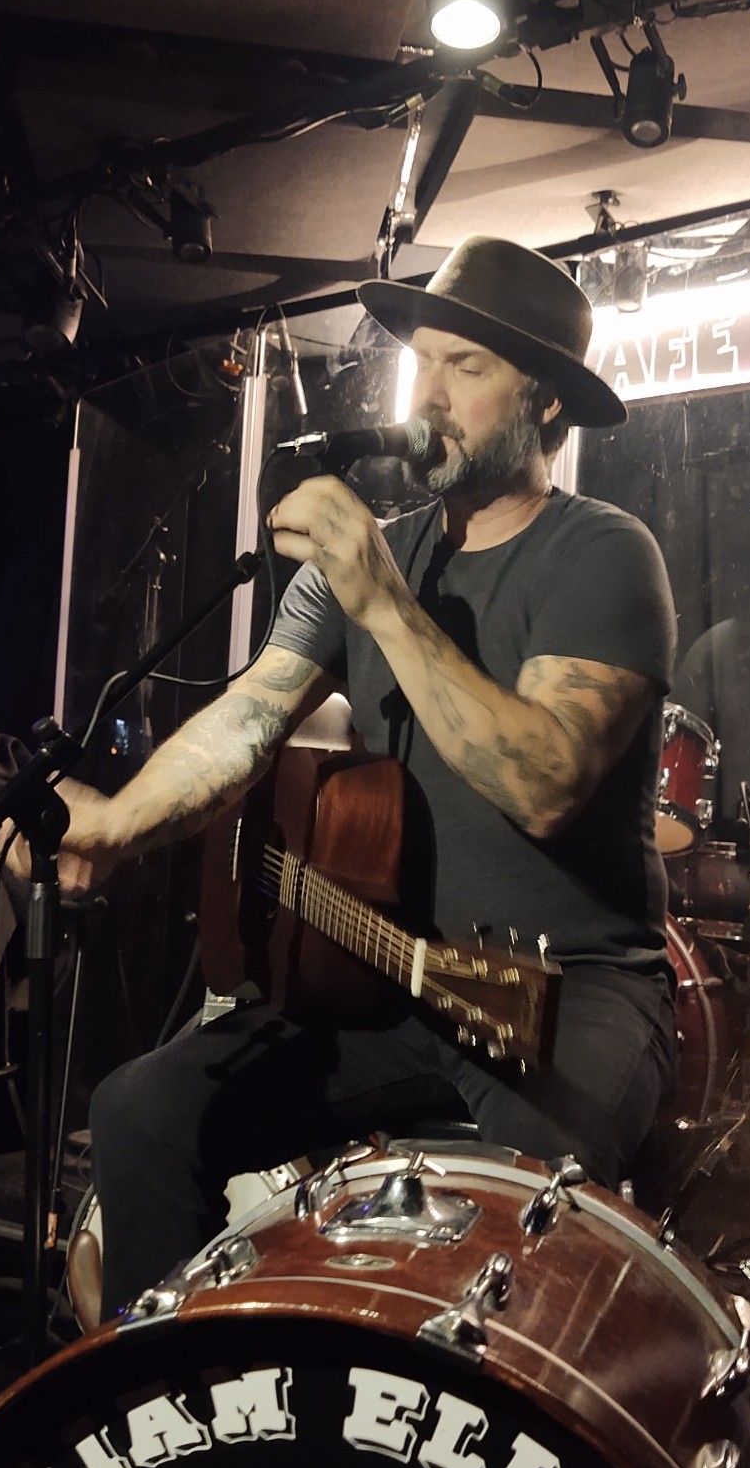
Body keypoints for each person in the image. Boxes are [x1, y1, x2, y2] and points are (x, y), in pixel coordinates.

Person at [34, 236, 679, 1315]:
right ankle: (188, 1404)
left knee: (540, 1187)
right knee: (143, 1111)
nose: (427, 392)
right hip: (392, 981)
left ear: (548, 407)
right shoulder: (374, 555)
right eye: (420, 361)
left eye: (465, 367)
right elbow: (247, 716)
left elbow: (544, 782)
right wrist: (110, 823)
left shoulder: (600, 553)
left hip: (569, 991)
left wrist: (381, 596)